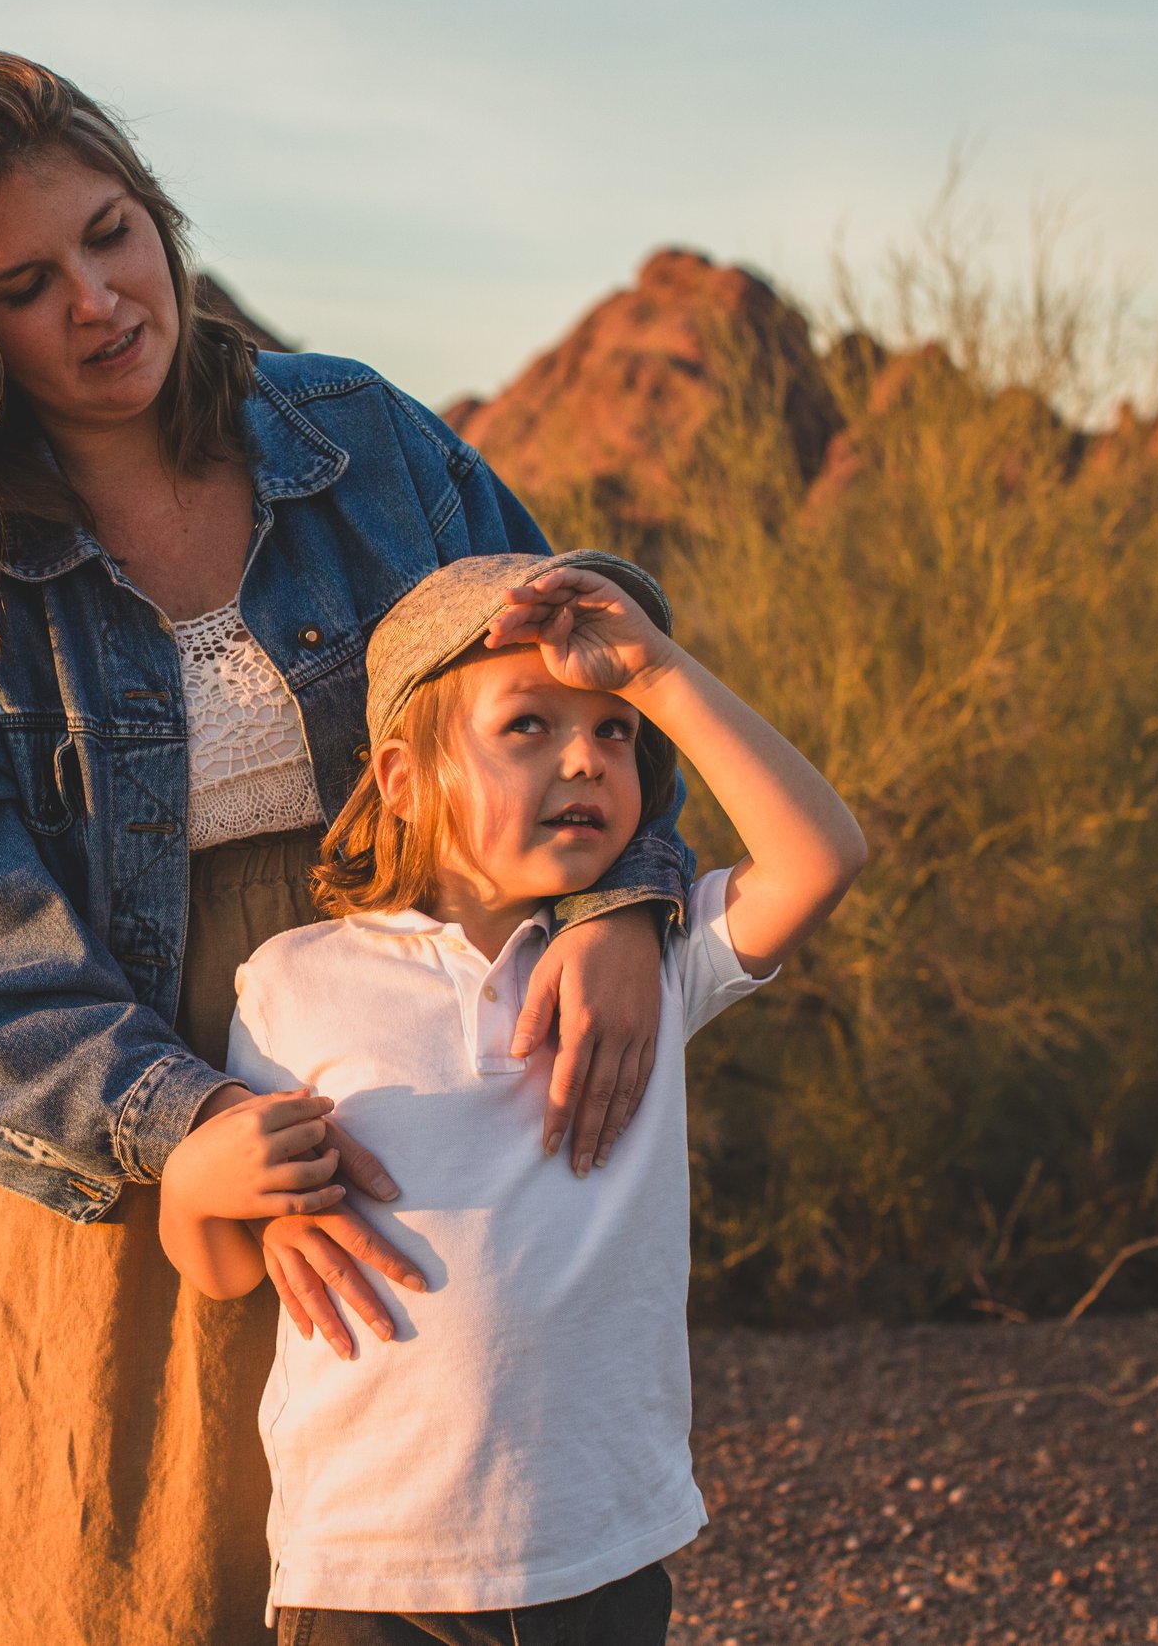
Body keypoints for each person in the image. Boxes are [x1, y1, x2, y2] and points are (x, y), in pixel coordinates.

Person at [0, 48, 700, 1645]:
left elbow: (576, 657)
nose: (99, 299)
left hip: (411, 1095)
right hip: (130, 1147)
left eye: (114, 233)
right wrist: (191, 1123)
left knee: (438, 1535)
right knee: (132, 1589)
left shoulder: (361, 439)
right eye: (25, 284)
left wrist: (627, 894)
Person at [160, 553, 868, 1644]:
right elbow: (223, 1265)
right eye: (529, 725)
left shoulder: (651, 968)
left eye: (615, 729)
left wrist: (658, 671)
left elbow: (821, 855)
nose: (586, 755)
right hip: (366, 1563)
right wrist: (202, 1187)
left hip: (596, 1546)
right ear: (401, 778)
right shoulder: (297, 980)